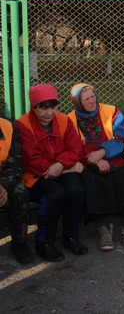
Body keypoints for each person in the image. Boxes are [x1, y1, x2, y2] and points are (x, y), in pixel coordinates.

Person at [16, 84, 87, 262]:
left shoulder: (63, 120)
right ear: (34, 107)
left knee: (75, 188)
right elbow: (30, 160)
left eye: (53, 107)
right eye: (43, 108)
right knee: (55, 193)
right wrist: (66, 168)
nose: (49, 112)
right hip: (34, 175)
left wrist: (61, 165)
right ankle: (44, 242)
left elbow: (75, 148)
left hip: (60, 167)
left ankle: (71, 236)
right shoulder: (23, 125)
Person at [68, 84, 124, 251]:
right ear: (77, 102)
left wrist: (103, 152)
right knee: (89, 180)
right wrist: (95, 160)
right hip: (88, 161)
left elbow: (122, 137)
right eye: (86, 99)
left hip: (114, 158)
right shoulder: (69, 120)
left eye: (93, 96)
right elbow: (73, 146)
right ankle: (103, 229)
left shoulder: (112, 112)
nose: (91, 101)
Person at [0, 114, 34, 264]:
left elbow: (15, 164)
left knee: (20, 192)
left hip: (3, 179)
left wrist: (3, 186)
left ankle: (19, 242)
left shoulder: (8, 128)